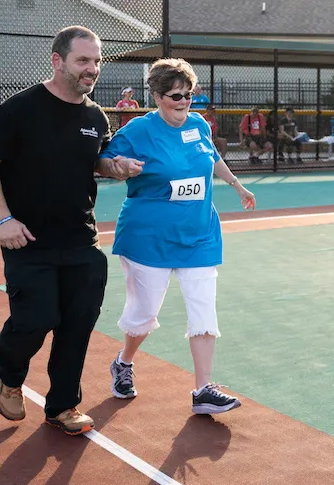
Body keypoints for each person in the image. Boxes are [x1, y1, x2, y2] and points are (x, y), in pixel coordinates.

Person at [0, 25, 141, 436]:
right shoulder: (20, 108)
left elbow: (92, 160)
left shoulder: (94, 115)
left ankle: (63, 406)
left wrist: (111, 167)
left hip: (81, 239)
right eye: (83, 60)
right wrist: (3, 219)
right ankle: (10, 375)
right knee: (35, 319)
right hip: (26, 238)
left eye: (97, 61)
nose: (93, 69)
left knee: (77, 324)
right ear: (58, 60)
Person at [100, 57, 255, 415]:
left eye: (188, 94)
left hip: (199, 234)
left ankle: (203, 389)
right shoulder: (139, 131)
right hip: (148, 238)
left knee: (203, 309)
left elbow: (212, 157)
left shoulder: (199, 125)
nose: (183, 101)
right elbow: (102, 161)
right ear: (156, 96)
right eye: (174, 95)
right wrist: (118, 168)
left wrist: (237, 185)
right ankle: (124, 362)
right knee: (143, 314)